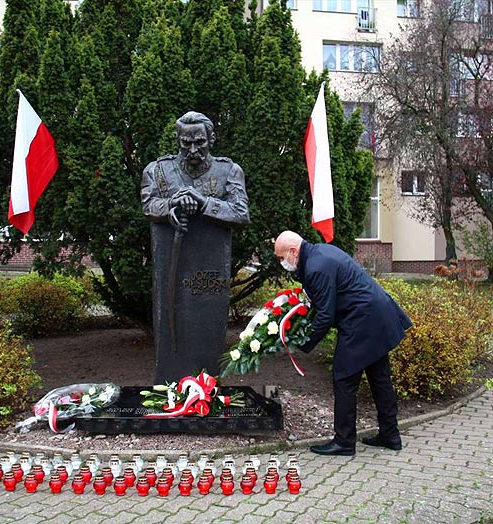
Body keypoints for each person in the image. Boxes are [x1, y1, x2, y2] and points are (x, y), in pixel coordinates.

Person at [274, 230, 412, 456]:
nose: (282, 262)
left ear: (292, 251)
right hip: (376, 314)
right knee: (380, 378)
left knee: (344, 377)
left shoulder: (316, 266)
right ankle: (390, 435)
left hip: (362, 320)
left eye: (281, 257)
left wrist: (304, 344)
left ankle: (344, 442)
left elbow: (325, 315)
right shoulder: (319, 254)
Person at [141, 111, 250, 382]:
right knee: (171, 330)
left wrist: (203, 203)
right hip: (172, 267)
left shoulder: (229, 171)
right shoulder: (157, 171)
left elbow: (240, 212)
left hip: (211, 272)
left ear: (211, 139)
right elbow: (148, 204)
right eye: (185, 143)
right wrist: (170, 207)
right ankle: (170, 384)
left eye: (199, 142)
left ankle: (206, 386)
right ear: (177, 140)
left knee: (206, 331)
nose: (192, 150)